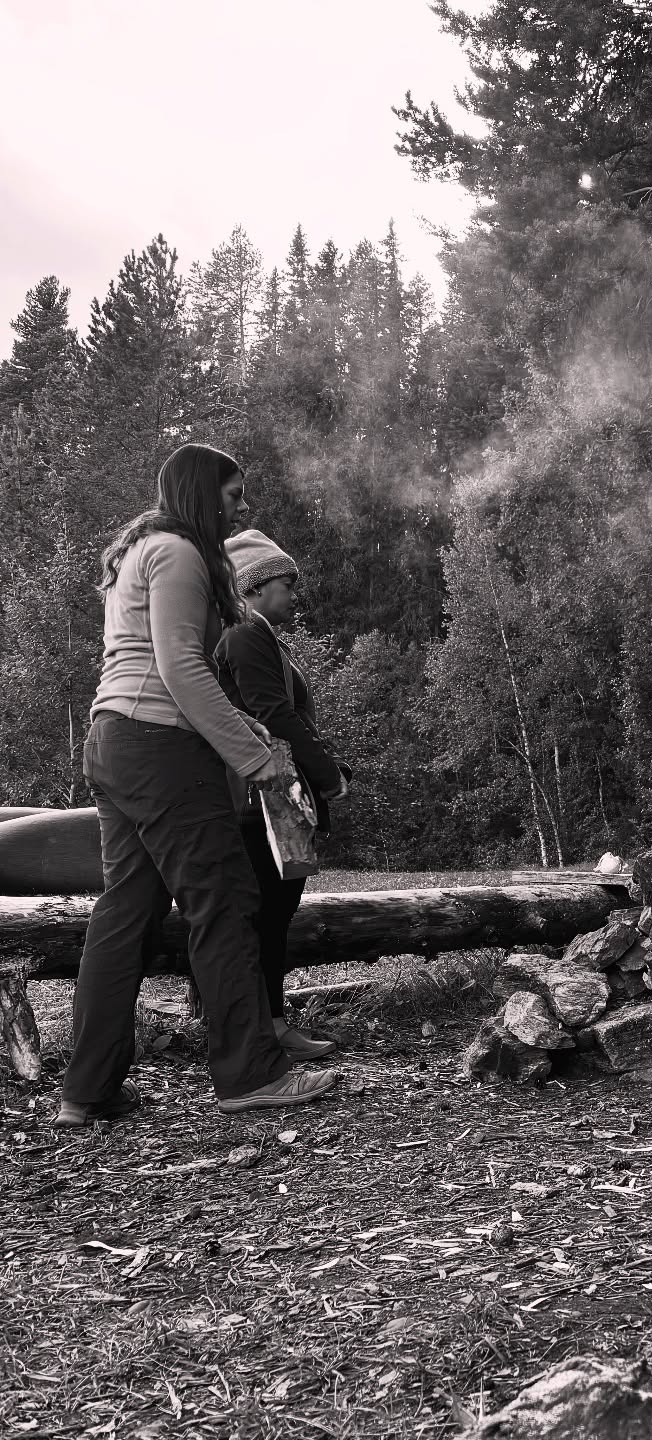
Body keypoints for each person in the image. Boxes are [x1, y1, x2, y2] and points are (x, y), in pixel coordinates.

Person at [57, 444, 339, 1126]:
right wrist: (256, 755)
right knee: (226, 898)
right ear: (200, 495)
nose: (243, 508)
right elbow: (181, 668)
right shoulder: (179, 552)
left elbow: (158, 667)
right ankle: (250, 1073)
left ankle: (87, 1090)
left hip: (114, 741)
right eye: (234, 495)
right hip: (160, 749)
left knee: (127, 912)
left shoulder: (140, 551)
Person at [215, 529, 349, 1061]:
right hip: (257, 800)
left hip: (267, 794)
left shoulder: (257, 633)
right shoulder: (246, 634)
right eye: (286, 583)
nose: (295, 594)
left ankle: (269, 1023)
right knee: (265, 914)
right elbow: (273, 715)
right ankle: (262, 1030)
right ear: (252, 587)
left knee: (273, 912)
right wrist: (328, 776)